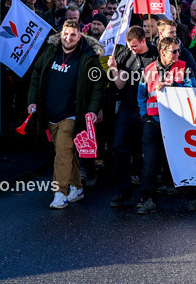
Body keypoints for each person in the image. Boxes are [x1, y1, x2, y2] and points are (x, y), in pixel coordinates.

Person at [26, 21, 105, 209]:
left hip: (72, 114)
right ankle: (76, 187)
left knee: (62, 154)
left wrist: (93, 110)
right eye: (66, 34)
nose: (68, 38)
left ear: (80, 36)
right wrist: (32, 100)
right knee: (66, 152)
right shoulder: (50, 51)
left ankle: (60, 193)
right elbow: (36, 74)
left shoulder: (88, 58)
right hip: (50, 112)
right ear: (61, 34)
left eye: (73, 35)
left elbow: (97, 86)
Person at [135, 36, 196, 215]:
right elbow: (141, 95)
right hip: (153, 123)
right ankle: (148, 200)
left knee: (180, 162)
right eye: (174, 51)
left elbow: (192, 91)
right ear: (162, 52)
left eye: (178, 50)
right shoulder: (148, 70)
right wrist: (144, 116)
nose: (178, 53)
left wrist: (173, 85)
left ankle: (192, 196)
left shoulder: (184, 67)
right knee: (149, 164)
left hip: (176, 124)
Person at [107, 27, 158, 209]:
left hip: (149, 112)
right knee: (119, 148)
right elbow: (120, 85)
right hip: (128, 109)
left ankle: (147, 195)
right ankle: (122, 191)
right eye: (129, 46)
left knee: (146, 155)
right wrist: (113, 69)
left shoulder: (155, 54)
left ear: (144, 40)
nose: (132, 49)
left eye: (135, 46)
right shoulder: (125, 54)